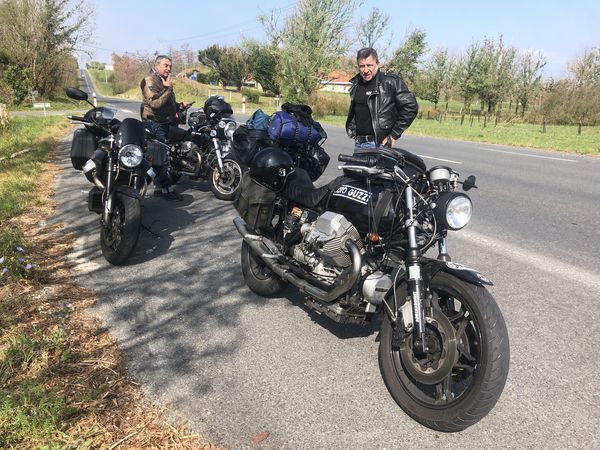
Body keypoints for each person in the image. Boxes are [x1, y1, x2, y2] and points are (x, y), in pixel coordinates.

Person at [346, 47, 418, 149]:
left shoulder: (390, 82)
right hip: (359, 143)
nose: (365, 70)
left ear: (377, 63)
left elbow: (410, 106)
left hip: (380, 144)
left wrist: (394, 134)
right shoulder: (356, 84)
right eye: (362, 66)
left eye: (369, 65)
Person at [140, 55, 191, 200]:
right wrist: (168, 88)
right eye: (166, 65)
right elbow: (155, 103)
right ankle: (167, 189)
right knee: (160, 158)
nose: (169, 69)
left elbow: (166, 103)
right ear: (156, 65)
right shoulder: (150, 80)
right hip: (154, 123)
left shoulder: (163, 80)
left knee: (160, 156)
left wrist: (179, 106)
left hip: (164, 123)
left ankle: (158, 188)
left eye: (170, 66)